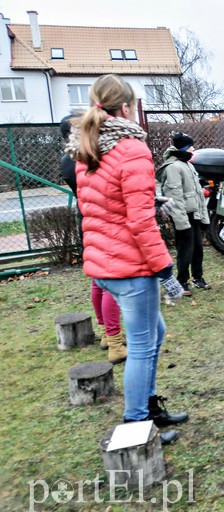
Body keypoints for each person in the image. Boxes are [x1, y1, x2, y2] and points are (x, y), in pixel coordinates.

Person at [66, 74, 187, 445]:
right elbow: (137, 221)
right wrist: (165, 268)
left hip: (105, 263)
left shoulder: (90, 146)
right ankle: (137, 426)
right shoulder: (131, 148)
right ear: (127, 107)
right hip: (130, 267)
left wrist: (147, 201)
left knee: (155, 334)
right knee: (143, 346)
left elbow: (105, 205)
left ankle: (148, 407)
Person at [60, 113, 126, 364]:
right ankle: (114, 339)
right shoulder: (83, 158)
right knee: (110, 280)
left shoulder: (68, 159)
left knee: (99, 280)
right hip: (102, 219)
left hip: (88, 219)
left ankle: (107, 334)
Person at [156, 132, 211, 295]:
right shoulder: (174, 167)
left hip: (193, 214)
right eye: (192, 147)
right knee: (185, 249)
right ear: (185, 148)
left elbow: (197, 195)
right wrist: (181, 221)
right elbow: (175, 197)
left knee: (197, 248)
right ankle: (182, 281)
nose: (194, 150)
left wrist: (203, 215)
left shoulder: (188, 165)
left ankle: (198, 278)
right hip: (183, 216)